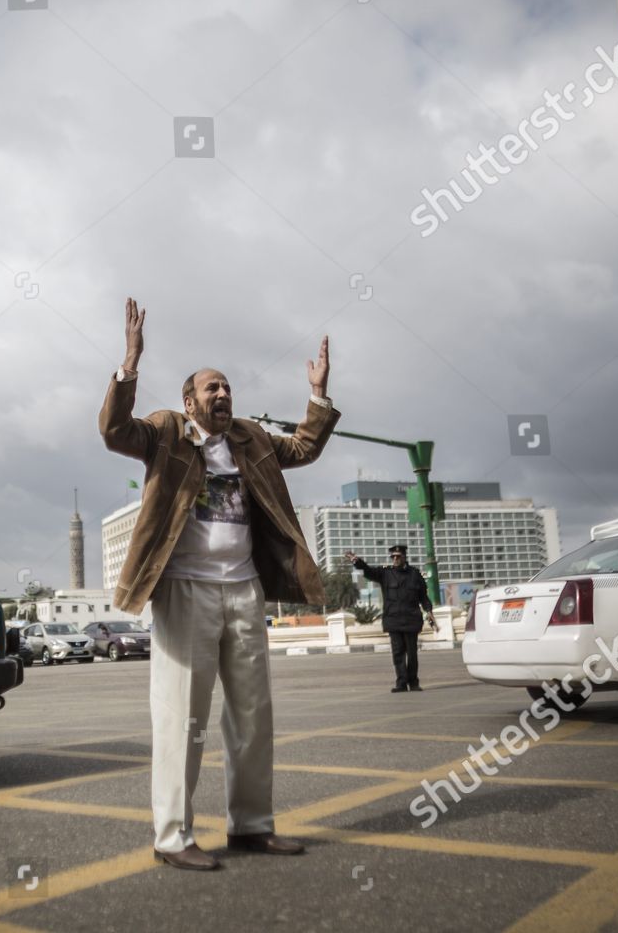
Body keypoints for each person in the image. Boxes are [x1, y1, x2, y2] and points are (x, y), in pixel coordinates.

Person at [99, 297, 339, 872]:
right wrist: (129, 364)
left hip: (244, 590)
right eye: (212, 389)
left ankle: (252, 826)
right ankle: (173, 836)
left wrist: (318, 396)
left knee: (253, 713)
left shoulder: (251, 439)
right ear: (189, 401)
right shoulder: (165, 433)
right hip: (185, 590)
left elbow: (303, 448)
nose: (223, 395)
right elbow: (113, 431)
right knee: (182, 715)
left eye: (227, 387)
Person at [344, 544, 436, 692]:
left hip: (411, 619)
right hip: (393, 620)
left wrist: (429, 611)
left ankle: (413, 683)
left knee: (412, 654)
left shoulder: (415, 575)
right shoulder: (385, 573)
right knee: (398, 653)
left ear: (404, 557)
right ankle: (401, 683)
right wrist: (356, 561)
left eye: (398, 556)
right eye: (393, 557)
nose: (395, 559)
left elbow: (423, 597)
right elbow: (368, 571)